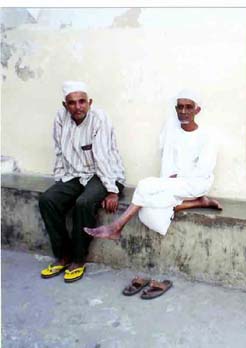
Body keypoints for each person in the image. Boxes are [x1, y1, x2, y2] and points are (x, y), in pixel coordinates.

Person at [84, 89, 221, 298]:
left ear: (197, 110)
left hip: (195, 184)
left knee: (145, 185)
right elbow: (166, 160)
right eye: (179, 106)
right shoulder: (172, 130)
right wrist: (169, 180)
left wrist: (176, 178)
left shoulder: (207, 136)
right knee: (149, 213)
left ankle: (116, 226)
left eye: (188, 107)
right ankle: (197, 204)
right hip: (170, 185)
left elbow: (203, 170)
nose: (183, 111)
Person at [39, 81, 126, 283]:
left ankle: (78, 259)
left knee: (84, 203)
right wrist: (60, 182)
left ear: (89, 102)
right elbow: (59, 151)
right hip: (76, 174)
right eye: (72, 103)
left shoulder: (99, 119)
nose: (78, 107)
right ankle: (63, 256)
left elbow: (102, 156)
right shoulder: (61, 119)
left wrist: (112, 191)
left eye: (82, 102)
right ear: (65, 105)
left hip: (106, 174)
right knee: (48, 199)